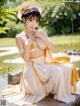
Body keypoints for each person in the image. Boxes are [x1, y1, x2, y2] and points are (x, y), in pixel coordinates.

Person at [1, 1, 79, 105]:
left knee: (66, 68)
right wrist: (28, 46)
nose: (34, 23)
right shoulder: (20, 38)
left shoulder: (41, 32)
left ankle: (59, 94)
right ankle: (50, 92)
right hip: (32, 68)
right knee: (58, 72)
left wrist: (42, 37)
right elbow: (25, 59)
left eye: (36, 21)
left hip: (45, 64)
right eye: (31, 20)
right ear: (24, 19)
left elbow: (52, 48)